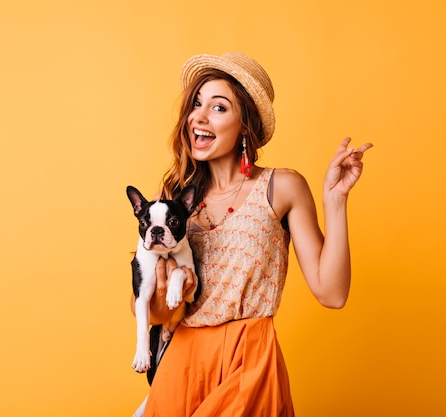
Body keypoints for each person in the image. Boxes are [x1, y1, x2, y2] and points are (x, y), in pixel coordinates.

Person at [132, 52, 372, 416]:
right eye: (196, 104)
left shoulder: (282, 187)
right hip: (180, 364)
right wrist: (165, 292)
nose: (199, 116)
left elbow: (333, 293)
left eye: (219, 107)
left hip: (250, 358)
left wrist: (335, 201)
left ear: (245, 125)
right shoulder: (172, 208)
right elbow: (151, 310)